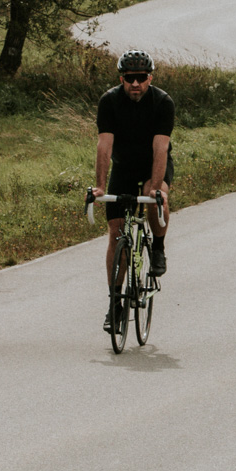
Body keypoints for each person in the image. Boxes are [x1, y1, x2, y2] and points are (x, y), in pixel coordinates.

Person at [93, 48, 173, 333]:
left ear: (149, 78)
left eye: (141, 78)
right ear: (121, 78)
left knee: (157, 198)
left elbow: (161, 147)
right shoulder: (110, 101)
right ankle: (115, 304)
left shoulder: (162, 102)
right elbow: (104, 146)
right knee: (116, 233)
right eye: (130, 78)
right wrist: (100, 185)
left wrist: (155, 187)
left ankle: (159, 248)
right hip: (124, 167)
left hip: (154, 163)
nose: (135, 84)